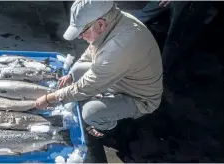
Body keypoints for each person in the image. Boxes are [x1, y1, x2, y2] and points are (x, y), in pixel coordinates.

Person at [35, 0, 163, 138]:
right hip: (120, 77)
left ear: (100, 24)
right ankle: (105, 96)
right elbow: (91, 51)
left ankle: (109, 128)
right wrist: (70, 76)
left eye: (82, 32)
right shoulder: (114, 21)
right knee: (76, 70)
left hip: (138, 97)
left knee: (91, 112)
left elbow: (86, 87)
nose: (80, 37)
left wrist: (50, 98)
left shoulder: (119, 47)